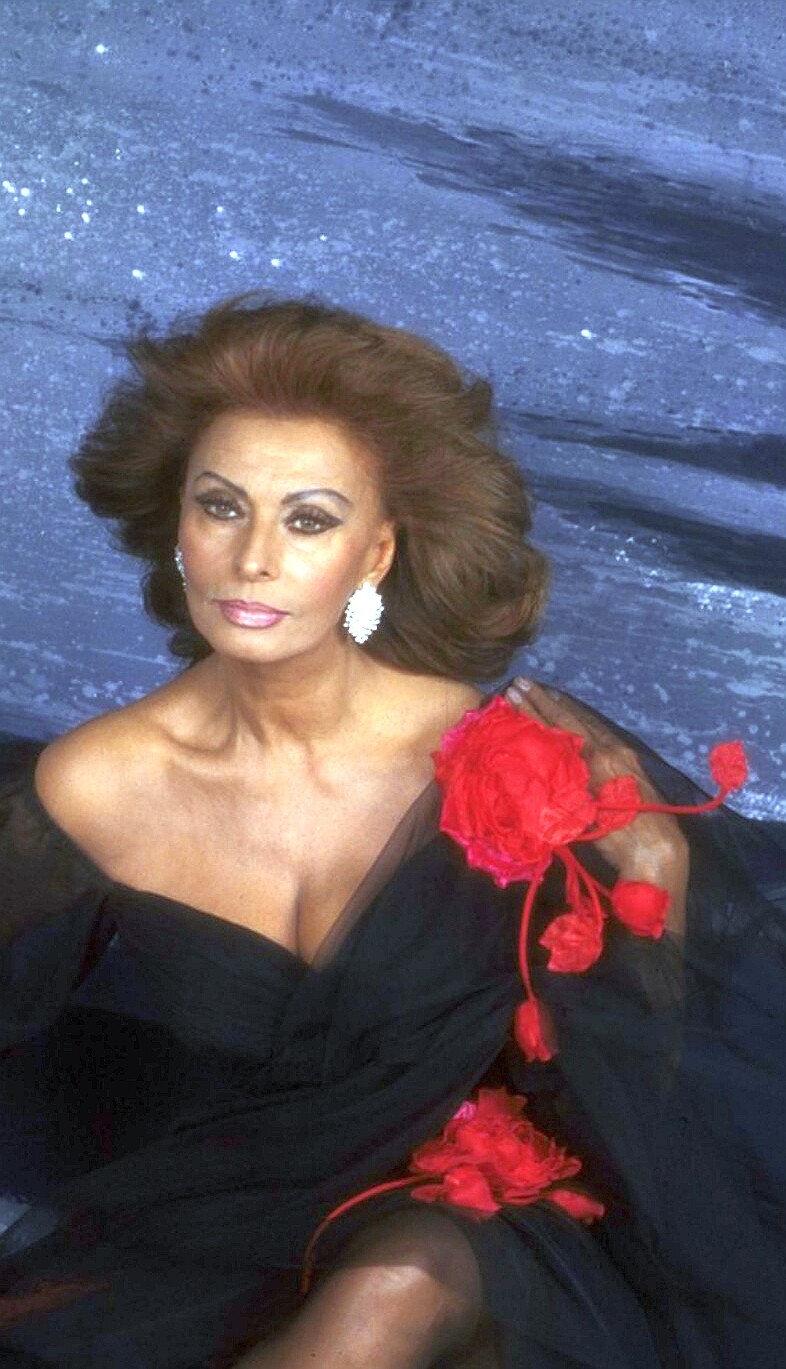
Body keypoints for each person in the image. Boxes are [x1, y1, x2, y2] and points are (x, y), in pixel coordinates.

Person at [0, 295, 783, 1369]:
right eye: (221, 507)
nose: (254, 558)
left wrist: (661, 875)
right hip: (218, 1229)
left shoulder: (513, 756)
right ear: (177, 525)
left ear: (375, 554)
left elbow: (663, 1090)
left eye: (308, 520)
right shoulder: (96, 782)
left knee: (395, 1288)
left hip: (476, 1236)